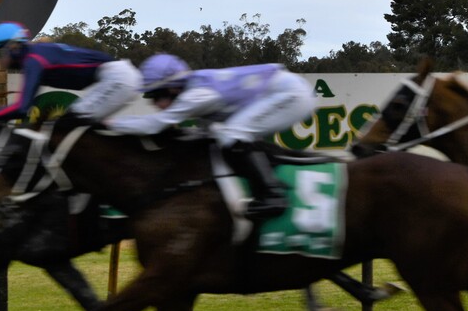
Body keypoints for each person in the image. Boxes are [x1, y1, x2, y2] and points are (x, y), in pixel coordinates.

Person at [104, 54, 317, 221]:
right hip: (284, 91)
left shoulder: (197, 96)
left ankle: (274, 196)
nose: (154, 103)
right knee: (223, 135)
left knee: (233, 133)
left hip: (292, 94)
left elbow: (156, 124)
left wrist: (111, 124)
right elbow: (203, 133)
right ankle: (266, 181)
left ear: (172, 88)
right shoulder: (194, 89)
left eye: (156, 95)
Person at [0, 22, 141, 124]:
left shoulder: (33, 60)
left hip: (117, 78)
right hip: (117, 76)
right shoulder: (35, 54)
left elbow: (22, 108)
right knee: (72, 122)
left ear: (12, 47)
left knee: (66, 124)